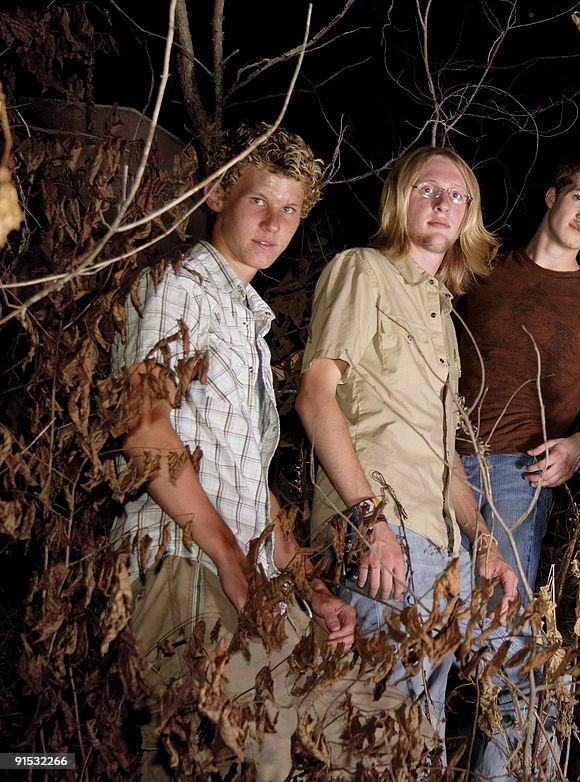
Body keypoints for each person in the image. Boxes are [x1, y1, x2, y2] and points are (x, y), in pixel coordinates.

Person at [111, 124, 406, 781]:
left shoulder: (247, 322)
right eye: (259, 201)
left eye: (291, 209)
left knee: (359, 734)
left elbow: (249, 484)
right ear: (219, 193)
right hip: (181, 561)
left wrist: (308, 584)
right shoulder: (178, 289)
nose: (276, 223)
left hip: (244, 572)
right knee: (200, 758)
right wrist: (227, 560)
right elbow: (143, 430)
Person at [296, 146, 552, 780]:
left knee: (508, 692)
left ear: (469, 217)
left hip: (445, 550)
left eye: (458, 196)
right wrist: (368, 518)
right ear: (401, 200)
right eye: (428, 190)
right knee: (386, 740)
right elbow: (315, 395)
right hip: (383, 537)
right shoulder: (362, 271)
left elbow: (445, 462)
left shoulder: (442, 313)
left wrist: (486, 543)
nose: (444, 203)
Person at [457, 154, 580, 599]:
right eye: (579, 198)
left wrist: (579, 447)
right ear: (553, 196)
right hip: (435, 459)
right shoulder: (479, 269)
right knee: (420, 624)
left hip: (519, 473)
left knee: (497, 624)